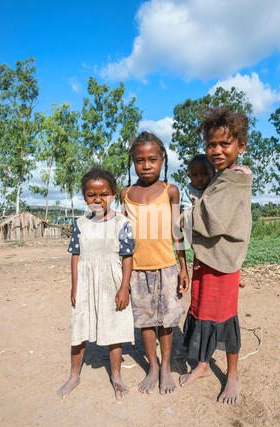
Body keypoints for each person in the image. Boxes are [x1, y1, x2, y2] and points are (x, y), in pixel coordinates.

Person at [180, 107, 253, 404]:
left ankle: (232, 374)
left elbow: (212, 219)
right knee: (202, 312)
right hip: (208, 259)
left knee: (225, 316)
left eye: (225, 144)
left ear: (241, 146)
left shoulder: (236, 178)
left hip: (223, 264)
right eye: (211, 144)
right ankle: (203, 364)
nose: (217, 150)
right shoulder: (219, 177)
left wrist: (181, 216)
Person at [120, 131, 189, 395]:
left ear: (162, 160)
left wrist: (183, 267)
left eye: (152, 159)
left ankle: (166, 365)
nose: (146, 165)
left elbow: (177, 231)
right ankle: (153, 366)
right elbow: (124, 237)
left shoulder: (170, 191)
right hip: (137, 269)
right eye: (140, 160)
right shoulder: (126, 194)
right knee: (146, 321)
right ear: (133, 162)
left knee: (167, 321)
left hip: (167, 267)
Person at [58, 167, 135, 400]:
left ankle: (117, 376)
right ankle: (74, 375)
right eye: (92, 194)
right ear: (84, 197)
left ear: (113, 194)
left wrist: (124, 287)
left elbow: (128, 257)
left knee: (114, 326)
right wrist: (74, 286)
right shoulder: (80, 223)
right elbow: (75, 256)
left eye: (104, 193)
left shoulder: (122, 223)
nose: (98, 199)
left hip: (112, 281)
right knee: (79, 326)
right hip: (85, 281)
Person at [180, 154, 215, 245]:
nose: (200, 178)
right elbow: (185, 212)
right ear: (189, 176)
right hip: (195, 228)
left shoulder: (214, 188)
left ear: (213, 174)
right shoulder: (188, 190)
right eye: (195, 175)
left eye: (205, 174)